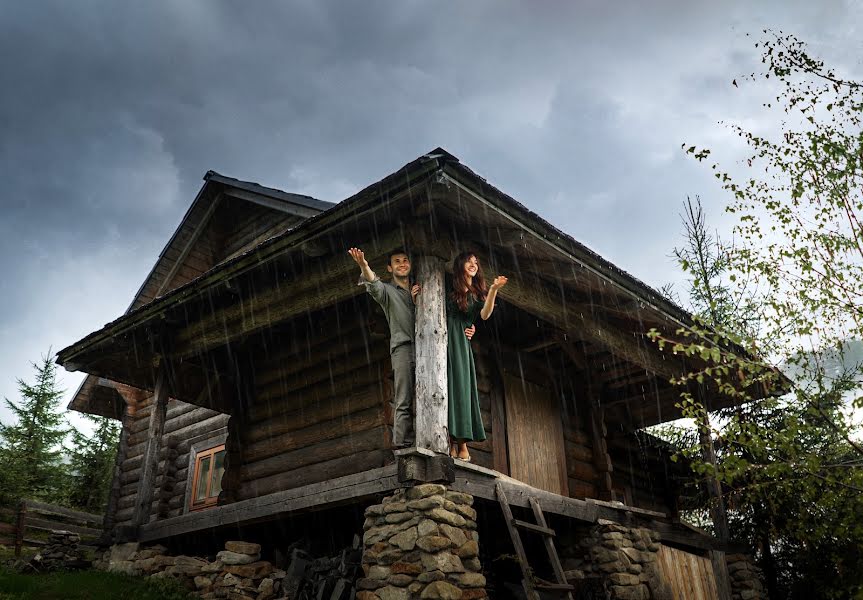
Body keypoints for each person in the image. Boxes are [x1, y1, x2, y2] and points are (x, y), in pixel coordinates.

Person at [447, 251, 507, 461]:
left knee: (461, 389)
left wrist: (492, 290)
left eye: (476, 262)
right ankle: (449, 440)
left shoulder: (477, 293)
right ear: (460, 264)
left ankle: (462, 442)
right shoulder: (449, 286)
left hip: (461, 345)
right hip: (443, 340)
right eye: (469, 261)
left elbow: (485, 314)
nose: (473, 264)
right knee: (446, 388)